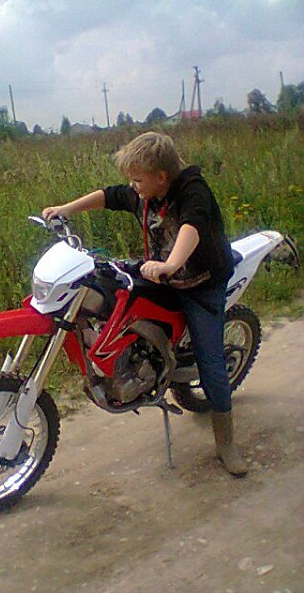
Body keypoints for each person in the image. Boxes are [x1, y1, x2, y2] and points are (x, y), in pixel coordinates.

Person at [42, 131, 247, 477]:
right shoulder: (146, 192)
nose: (132, 186)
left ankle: (226, 443)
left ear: (161, 176)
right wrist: (65, 209)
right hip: (162, 274)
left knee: (211, 361)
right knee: (116, 299)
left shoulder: (193, 192)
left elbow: (192, 226)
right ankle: (143, 364)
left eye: (137, 179)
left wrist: (171, 264)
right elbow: (110, 196)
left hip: (200, 284)